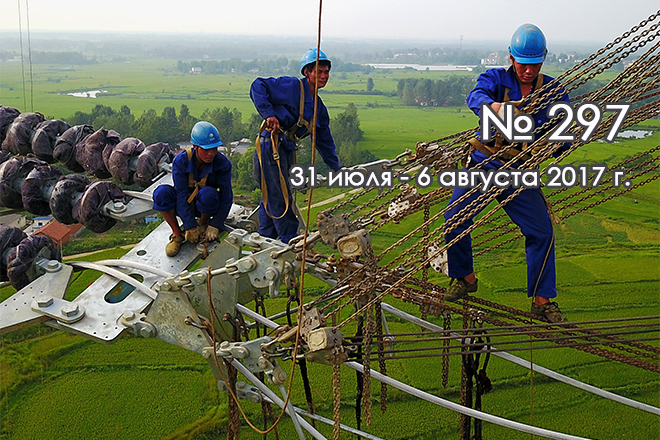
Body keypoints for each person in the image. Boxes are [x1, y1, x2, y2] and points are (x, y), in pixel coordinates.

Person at [443, 24, 569, 323]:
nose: (528, 71)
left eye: (534, 64)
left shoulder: (553, 90)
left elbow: (564, 123)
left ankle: (543, 301)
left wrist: (558, 145)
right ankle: (465, 278)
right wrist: (494, 107)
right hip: (484, 163)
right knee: (453, 218)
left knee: (541, 232)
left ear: (543, 61)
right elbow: (476, 96)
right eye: (523, 64)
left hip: (519, 171)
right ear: (511, 59)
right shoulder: (495, 78)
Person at [250, 48, 341, 244]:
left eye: (326, 72)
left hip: (284, 149)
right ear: (307, 72)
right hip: (270, 146)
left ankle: (265, 237)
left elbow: (325, 142)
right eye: (319, 71)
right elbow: (258, 85)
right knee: (279, 193)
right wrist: (268, 114)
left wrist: (336, 168)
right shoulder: (292, 87)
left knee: (272, 193)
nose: (324, 76)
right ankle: (289, 240)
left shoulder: (318, 109)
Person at [153, 121, 233, 257]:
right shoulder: (181, 161)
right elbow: (181, 194)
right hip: (184, 204)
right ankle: (177, 234)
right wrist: (189, 224)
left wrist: (216, 223)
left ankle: (203, 226)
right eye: (206, 150)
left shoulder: (223, 164)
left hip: (206, 204)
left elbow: (226, 197)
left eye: (214, 149)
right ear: (195, 147)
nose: (211, 154)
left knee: (208, 194)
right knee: (161, 194)